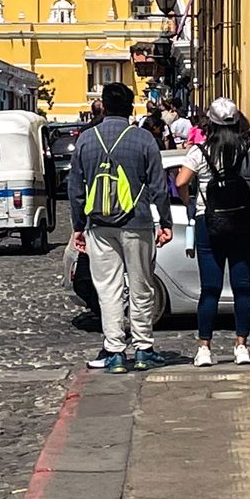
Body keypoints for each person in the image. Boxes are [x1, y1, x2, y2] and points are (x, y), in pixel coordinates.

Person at [69, 82, 173, 374]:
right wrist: (164, 221)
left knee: (108, 289)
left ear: (103, 105)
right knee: (141, 286)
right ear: (130, 108)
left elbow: (75, 187)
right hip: (137, 222)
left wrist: (78, 225)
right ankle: (143, 348)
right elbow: (158, 186)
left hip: (99, 224)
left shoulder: (86, 140)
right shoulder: (143, 140)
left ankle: (115, 351)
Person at [176, 96, 250, 366]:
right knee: (242, 287)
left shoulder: (199, 152)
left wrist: (191, 202)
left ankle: (204, 348)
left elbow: (180, 181)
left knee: (210, 288)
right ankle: (241, 346)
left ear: (209, 124)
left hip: (208, 222)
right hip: (244, 222)